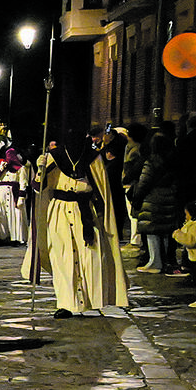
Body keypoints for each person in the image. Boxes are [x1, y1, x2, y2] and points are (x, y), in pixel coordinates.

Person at [39, 134, 130, 319]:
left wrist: (104, 217)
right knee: (62, 257)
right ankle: (66, 302)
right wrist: (41, 169)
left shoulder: (93, 157)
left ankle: (92, 299)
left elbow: (101, 187)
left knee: (90, 255)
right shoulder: (52, 157)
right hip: (60, 210)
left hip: (85, 211)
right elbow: (38, 188)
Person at [129, 132, 180, 275]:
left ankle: (155, 262)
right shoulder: (174, 161)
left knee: (152, 232)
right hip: (169, 199)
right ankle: (164, 262)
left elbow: (144, 183)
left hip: (152, 200)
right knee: (164, 233)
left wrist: (137, 198)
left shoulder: (151, 161)